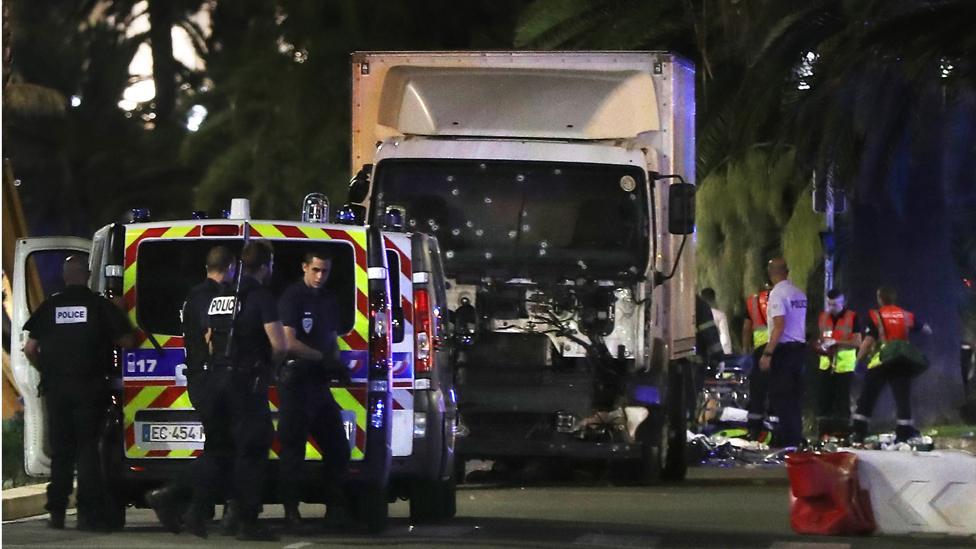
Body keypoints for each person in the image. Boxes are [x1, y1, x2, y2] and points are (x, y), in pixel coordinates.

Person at [21, 255, 134, 531]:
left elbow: (29, 349)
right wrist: (119, 313)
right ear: (87, 275)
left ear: (64, 276)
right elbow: (127, 341)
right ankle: (88, 514)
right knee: (87, 451)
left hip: (57, 390)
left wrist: (45, 370)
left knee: (61, 452)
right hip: (90, 388)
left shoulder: (50, 306)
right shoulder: (99, 306)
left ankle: (57, 512)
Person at [183, 241, 285, 541]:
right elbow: (279, 345)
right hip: (245, 382)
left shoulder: (221, 297)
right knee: (252, 449)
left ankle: (195, 509)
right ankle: (247, 521)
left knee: (219, 449)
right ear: (266, 266)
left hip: (216, 379)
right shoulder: (261, 296)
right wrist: (270, 366)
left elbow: (209, 336)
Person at [146, 245, 238, 534]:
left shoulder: (194, 295)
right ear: (232, 268)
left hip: (202, 378)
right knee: (221, 450)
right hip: (209, 378)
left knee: (219, 448)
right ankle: (169, 495)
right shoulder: (209, 297)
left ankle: (195, 510)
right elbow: (212, 335)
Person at [277, 249, 352, 531]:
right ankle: (291, 512)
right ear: (304, 267)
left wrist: (337, 364)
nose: (320, 276)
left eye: (325, 271)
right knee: (293, 450)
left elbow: (331, 337)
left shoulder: (328, 300)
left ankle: (335, 509)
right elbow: (288, 342)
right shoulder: (293, 297)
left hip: (319, 384)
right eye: (316, 270)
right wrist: (323, 358)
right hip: (296, 382)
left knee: (337, 448)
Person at [851, 286, 931, 444]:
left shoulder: (875, 315)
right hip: (902, 360)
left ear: (880, 298)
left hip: (883, 359)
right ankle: (904, 432)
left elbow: (868, 342)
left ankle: (859, 431)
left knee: (868, 395)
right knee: (902, 397)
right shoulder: (906, 315)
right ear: (894, 298)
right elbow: (927, 330)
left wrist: (858, 359)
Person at [758, 258, 809, 448]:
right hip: (799, 350)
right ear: (786, 272)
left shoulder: (777, 295)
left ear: (771, 273)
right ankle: (796, 437)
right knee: (795, 398)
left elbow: (779, 325)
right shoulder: (799, 293)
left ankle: (787, 441)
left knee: (781, 397)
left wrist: (768, 353)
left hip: (784, 351)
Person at [814, 289, 862, 439]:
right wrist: (820, 346)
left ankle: (842, 433)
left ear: (843, 302)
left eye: (835, 304)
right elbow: (820, 338)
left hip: (844, 366)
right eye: (829, 304)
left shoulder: (852, 317)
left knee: (842, 401)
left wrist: (837, 342)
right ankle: (824, 433)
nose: (831, 307)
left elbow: (857, 341)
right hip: (826, 365)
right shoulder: (823, 317)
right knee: (824, 401)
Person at [743, 284, 772, 441]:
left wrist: (746, 351)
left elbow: (747, 328)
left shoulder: (752, 302)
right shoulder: (782, 299)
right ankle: (776, 431)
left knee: (757, 393)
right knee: (777, 391)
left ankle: (754, 431)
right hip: (778, 351)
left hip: (758, 351)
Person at [701, 288, 732, 355]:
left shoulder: (697, 315)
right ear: (713, 299)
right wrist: (727, 353)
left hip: (703, 353)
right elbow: (724, 337)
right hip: (716, 352)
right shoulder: (720, 315)